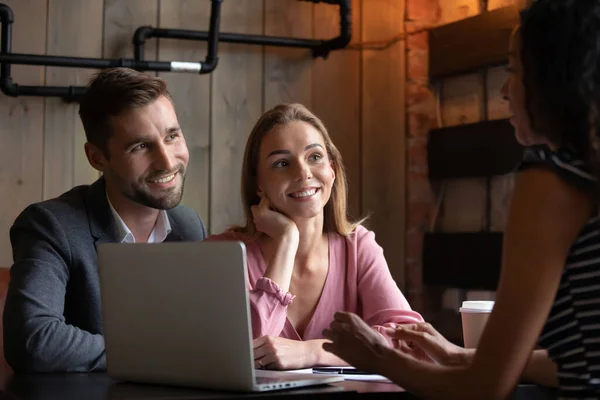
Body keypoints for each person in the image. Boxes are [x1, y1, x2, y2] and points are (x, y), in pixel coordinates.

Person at [322, 1, 600, 398]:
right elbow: (583, 363)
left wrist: (376, 356)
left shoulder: (551, 183)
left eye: (514, 71)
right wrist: (458, 356)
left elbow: (485, 388)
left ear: (553, 82)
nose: (505, 91)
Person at [3, 68, 207, 373]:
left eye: (172, 136)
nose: (167, 161)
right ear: (97, 158)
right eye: (140, 146)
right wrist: (153, 354)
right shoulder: (51, 225)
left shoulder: (188, 225)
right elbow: (33, 340)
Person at [208, 103, 423, 370]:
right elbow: (239, 355)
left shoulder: (358, 248)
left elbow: (412, 343)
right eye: (282, 163)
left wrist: (313, 352)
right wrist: (287, 240)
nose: (303, 173)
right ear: (258, 184)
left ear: (332, 171)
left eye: (315, 157)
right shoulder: (222, 254)